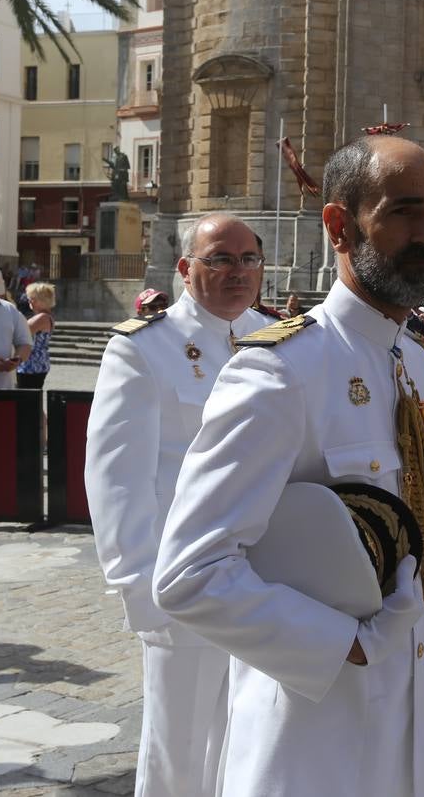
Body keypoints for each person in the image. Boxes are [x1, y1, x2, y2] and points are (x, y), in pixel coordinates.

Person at [151, 138, 424, 795]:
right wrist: (345, 644)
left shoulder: (422, 366)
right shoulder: (281, 370)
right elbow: (189, 574)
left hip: (406, 722)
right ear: (339, 226)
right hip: (313, 736)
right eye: (403, 211)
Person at [85, 213, 273, 797]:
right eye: (220, 258)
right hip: (184, 583)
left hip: (270, 581)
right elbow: (117, 479)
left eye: (249, 259)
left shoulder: (281, 337)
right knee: (181, 752)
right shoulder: (146, 348)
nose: (237, 272)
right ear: (186, 269)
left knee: (256, 741)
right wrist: (141, 589)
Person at [15, 282, 56, 389]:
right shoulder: (46, 316)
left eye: (31, 298)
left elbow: (20, 333)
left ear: (40, 301)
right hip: (37, 363)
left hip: (32, 365)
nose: (29, 301)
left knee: (26, 399)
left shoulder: (42, 318)